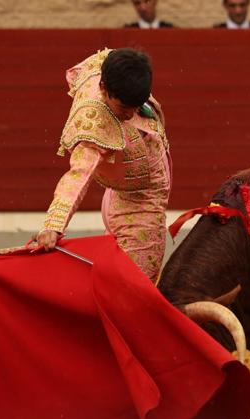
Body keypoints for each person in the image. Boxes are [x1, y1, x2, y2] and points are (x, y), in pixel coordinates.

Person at [34, 48, 172, 284]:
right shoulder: (93, 122)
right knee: (135, 288)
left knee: (121, 281)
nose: (130, 115)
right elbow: (78, 175)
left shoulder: (118, 71)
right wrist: (53, 225)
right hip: (138, 205)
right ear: (103, 89)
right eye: (122, 109)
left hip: (122, 195)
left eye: (136, 106)